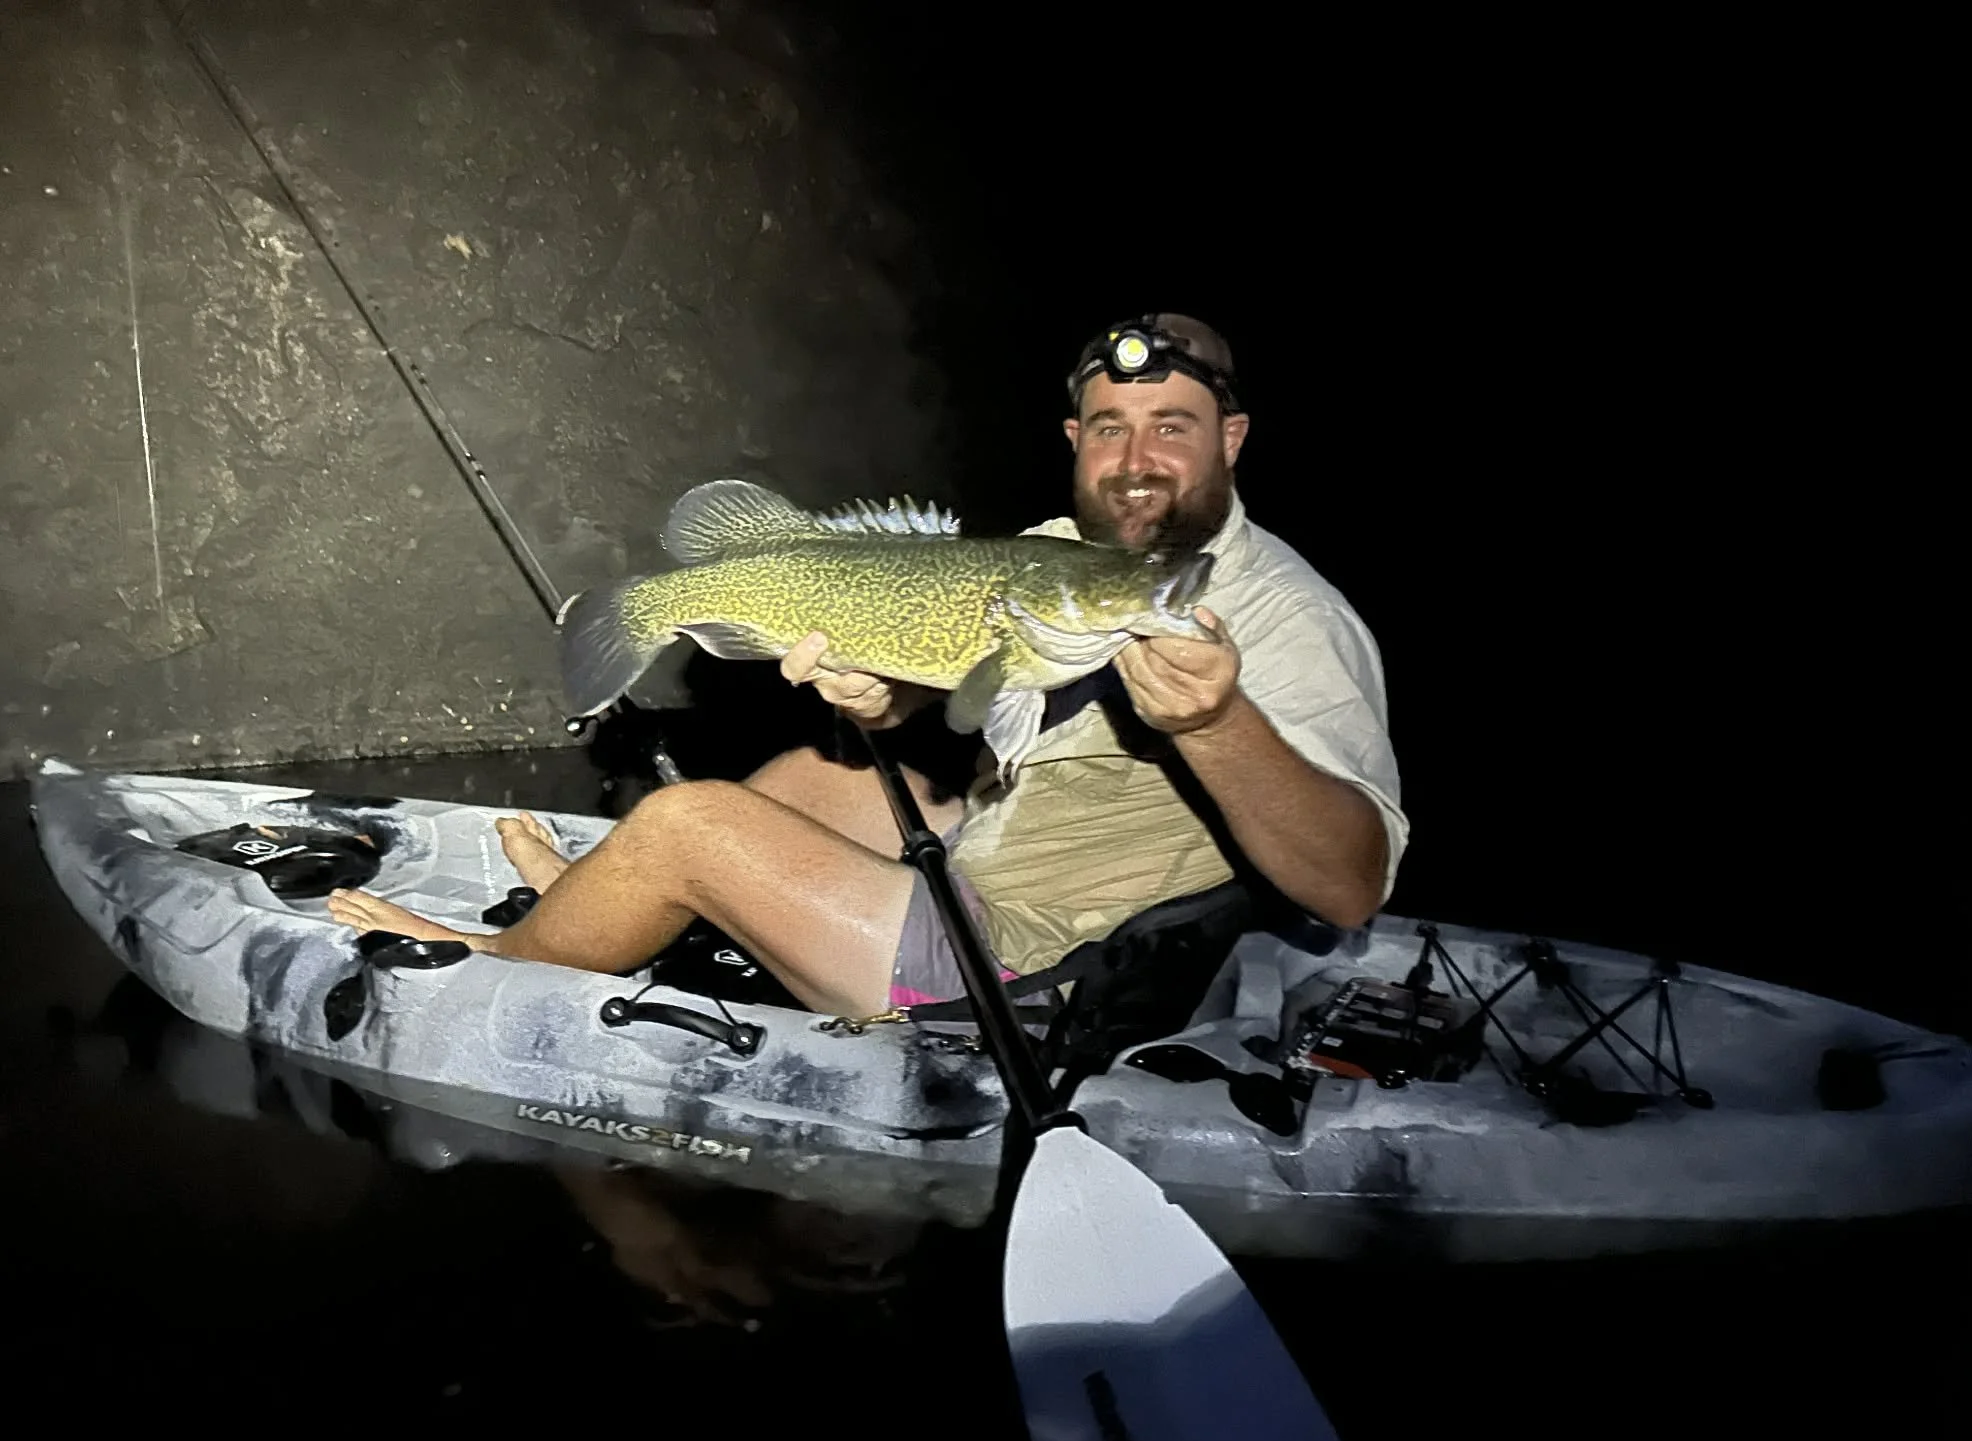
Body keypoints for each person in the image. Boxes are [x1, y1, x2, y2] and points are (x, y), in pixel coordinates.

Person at [325, 312, 1407, 1313]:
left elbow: (1348, 882)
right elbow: (959, 665)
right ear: (1075, 439)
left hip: (1025, 980)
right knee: (809, 772)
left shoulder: (1285, 616)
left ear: (1232, 436)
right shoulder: (1061, 560)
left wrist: (1214, 722)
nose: (1133, 461)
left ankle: (490, 959)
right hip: (1002, 856)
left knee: (686, 827)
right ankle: (603, 910)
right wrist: (884, 687)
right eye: (1108, 430)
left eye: (1170, 427)